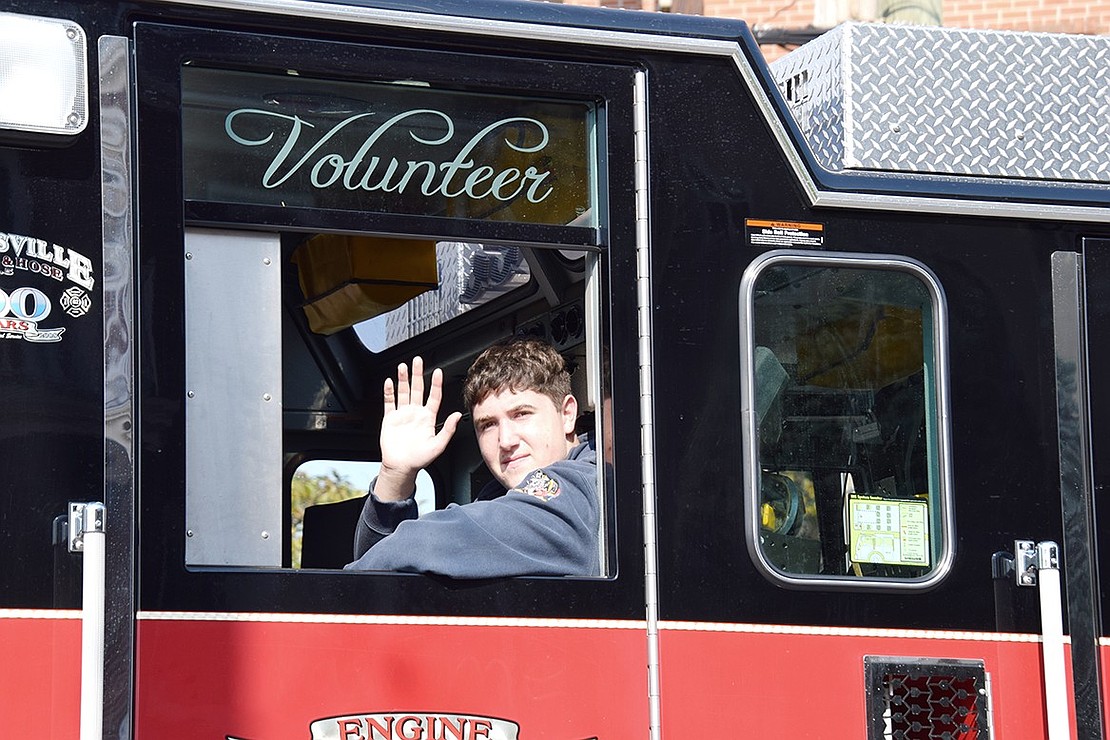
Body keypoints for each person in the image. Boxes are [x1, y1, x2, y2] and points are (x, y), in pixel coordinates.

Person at [344, 337, 599, 577]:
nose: (506, 440)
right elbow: (375, 581)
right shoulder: (495, 495)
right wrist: (395, 475)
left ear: (567, 414)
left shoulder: (580, 490)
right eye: (488, 425)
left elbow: (389, 561)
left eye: (521, 414)